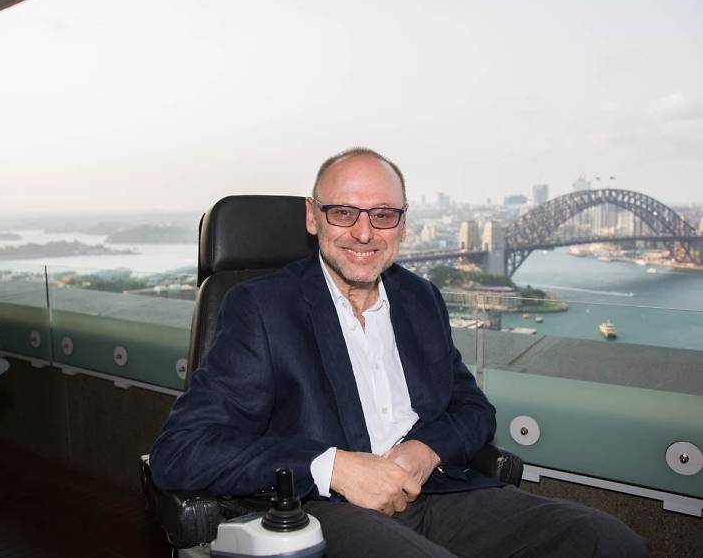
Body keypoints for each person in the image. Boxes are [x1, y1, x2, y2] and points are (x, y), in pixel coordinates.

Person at [150, 148, 648, 557]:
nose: (364, 233)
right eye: (343, 212)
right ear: (312, 216)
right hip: (326, 508)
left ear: (403, 223)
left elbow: (473, 410)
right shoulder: (261, 308)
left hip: (433, 491)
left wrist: (426, 450)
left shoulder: (419, 298)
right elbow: (182, 450)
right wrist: (336, 466)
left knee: (610, 543)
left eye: (383, 214)